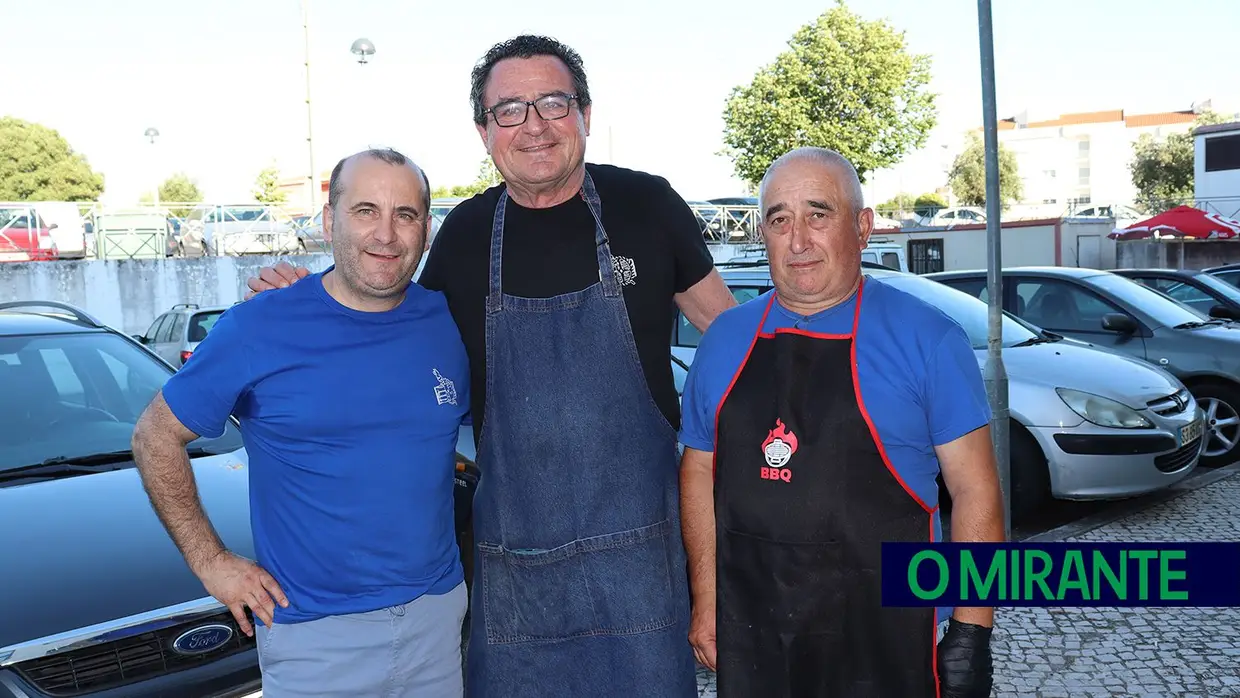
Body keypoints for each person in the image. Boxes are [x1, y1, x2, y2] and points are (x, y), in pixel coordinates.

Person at [244, 35, 737, 698]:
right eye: (510, 110)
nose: (534, 125)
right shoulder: (468, 236)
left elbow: (735, 341)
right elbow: (383, 311)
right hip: (517, 574)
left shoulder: (647, 206)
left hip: (642, 568)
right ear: (484, 131)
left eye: (553, 103)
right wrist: (306, 296)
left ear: (585, 114)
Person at [132, 148, 470, 698]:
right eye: (365, 210)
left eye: (405, 214)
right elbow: (155, 434)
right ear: (327, 219)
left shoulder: (446, 321)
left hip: (437, 621)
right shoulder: (260, 325)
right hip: (316, 638)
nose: (386, 233)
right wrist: (211, 561)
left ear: (425, 229)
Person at [677, 147, 1004, 698]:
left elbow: (976, 491)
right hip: (757, 629)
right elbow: (697, 473)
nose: (798, 240)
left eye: (818, 214)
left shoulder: (929, 339)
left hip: (889, 632)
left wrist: (973, 629)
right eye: (780, 219)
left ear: (863, 227)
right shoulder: (725, 340)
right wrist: (706, 598)